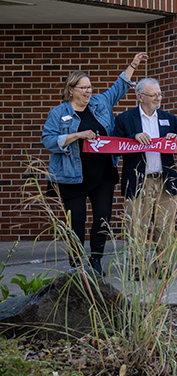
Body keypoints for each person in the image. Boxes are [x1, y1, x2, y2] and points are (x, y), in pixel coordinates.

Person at [42, 52, 148, 275]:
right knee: (77, 220)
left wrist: (133, 65)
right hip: (72, 176)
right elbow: (49, 141)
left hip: (103, 174)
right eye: (83, 88)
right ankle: (77, 263)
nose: (88, 91)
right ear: (71, 90)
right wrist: (77, 135)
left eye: (90, 87)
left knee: (103, 218)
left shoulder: (100, 103)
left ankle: (96, 260)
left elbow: (119, 87)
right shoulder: (58, 113)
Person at [113, 78, 177, 251]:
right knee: (136, 226)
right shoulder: (125, 119)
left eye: (159, 95)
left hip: (165, 180)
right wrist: (133, 138)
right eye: (153, 95)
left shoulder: (170, 119)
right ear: (140, 97)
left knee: (165, 226)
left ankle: (163, 267)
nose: (158, 98)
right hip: (138, 180)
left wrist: (176, 140)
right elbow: (115, 147)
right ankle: (136, 267)